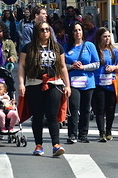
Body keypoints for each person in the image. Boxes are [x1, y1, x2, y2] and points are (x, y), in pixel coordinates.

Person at [18, 21, 71, 156]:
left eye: (47, 29)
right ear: (37, 32)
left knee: (52, 115)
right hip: (34, 84)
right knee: (37, 116)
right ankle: (38, 145)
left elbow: (63, 67)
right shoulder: (28, 48)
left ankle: (56, 144)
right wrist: (21, 84)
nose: (45, 32)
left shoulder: (57, 47)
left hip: (54, 84)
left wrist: (67, 85)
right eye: (42, 30)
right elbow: (22, 66)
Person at [64, 21, 100, 144]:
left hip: (87, 82)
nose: (78, 32)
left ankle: (83, 134)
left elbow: (97, 63)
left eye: (79, 30)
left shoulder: (89, 46)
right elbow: (61, 65)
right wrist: (72, 66)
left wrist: (83, 67)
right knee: (74, 108)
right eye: (75, 30)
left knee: (85, 109)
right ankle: (72, 134)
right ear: (71, 33)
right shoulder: (66, 47)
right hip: (72, 83)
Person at [93, 27, 118, 142]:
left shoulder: (114, 51)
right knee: (99, 109)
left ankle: (108, 130)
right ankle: (102, 132)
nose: (107, 39)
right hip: (98, 83)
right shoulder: (95, 50)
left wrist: (114, 67)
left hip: (111, 83)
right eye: (104, 36)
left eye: (108, 36)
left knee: (111, 109)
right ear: (99, 37)